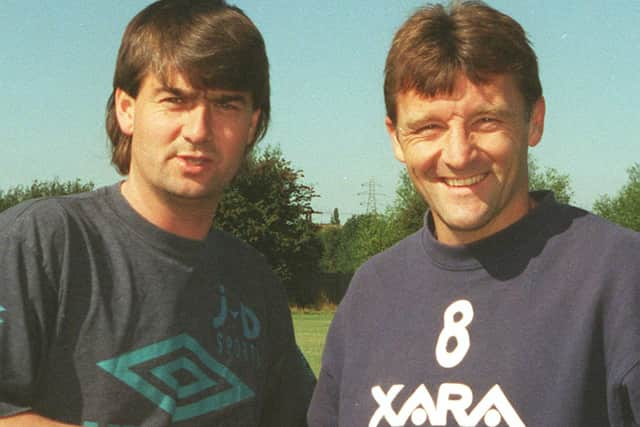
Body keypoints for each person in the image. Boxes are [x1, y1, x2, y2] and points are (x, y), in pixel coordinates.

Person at [308, 1, 640, 426]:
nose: (459, 154)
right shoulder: (369, 293)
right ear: (395, 138)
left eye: (486, 120)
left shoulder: (619, 276)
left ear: (533, 121)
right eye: (428, 127)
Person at [0, 0, 315, 426]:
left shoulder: (255, 282)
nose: (199, 130)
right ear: (127, 109)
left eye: (226, 104)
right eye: (175, 100)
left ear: (253, 123)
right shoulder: (40, 240)